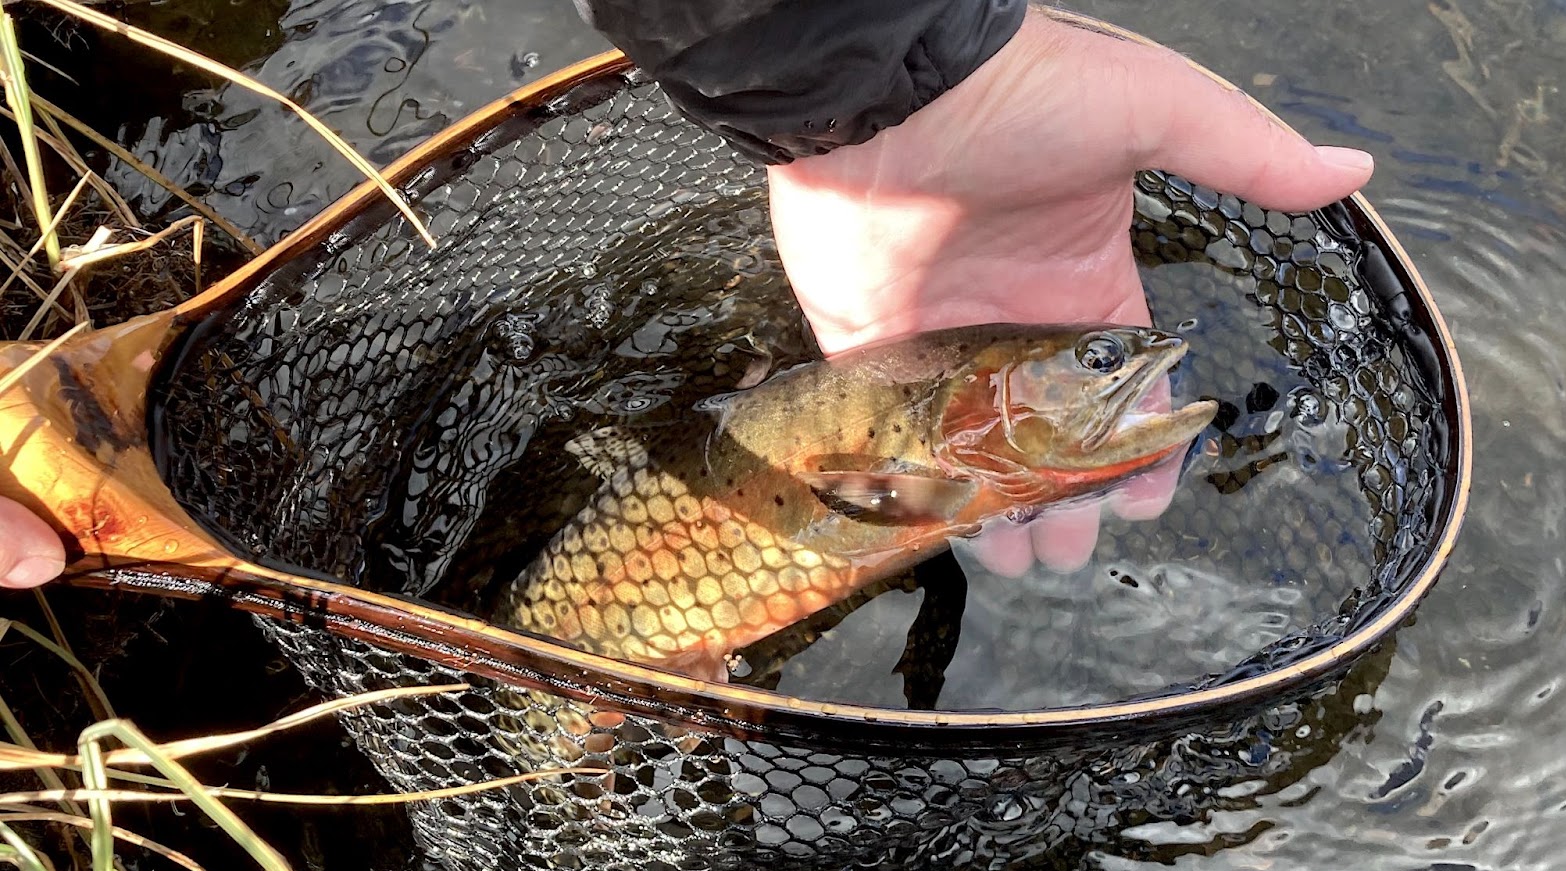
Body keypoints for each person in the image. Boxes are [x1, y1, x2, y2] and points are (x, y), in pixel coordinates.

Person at [0, 1, 1372, 589]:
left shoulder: (942, 443)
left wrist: (887, 70)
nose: (1126, 361)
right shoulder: (932, 442)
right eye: (1080, 368)